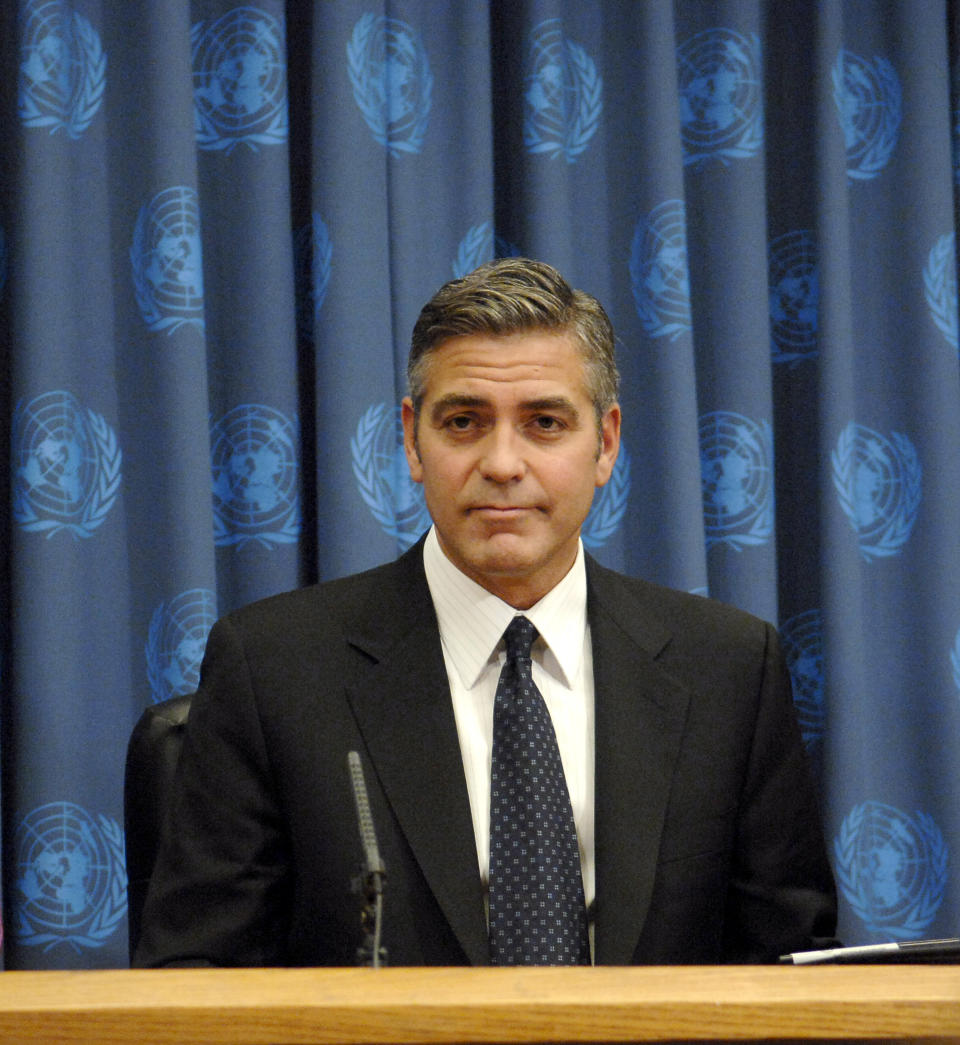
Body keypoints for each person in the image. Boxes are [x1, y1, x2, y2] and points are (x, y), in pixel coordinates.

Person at [134, 258, 837, 968]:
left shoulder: (729, 670)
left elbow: (796, 976)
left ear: (606, 442)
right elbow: (194, 981)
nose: (502, 462)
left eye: (545, 422)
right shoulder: (273, 670)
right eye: (465, 421)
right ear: (412, 440)